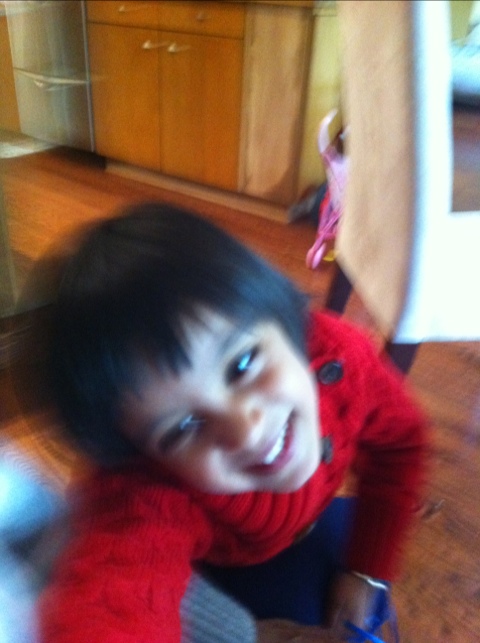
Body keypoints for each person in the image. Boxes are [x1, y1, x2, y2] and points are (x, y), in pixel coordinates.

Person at [37, 202, 428, 642]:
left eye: (242, 364)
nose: (248, 431)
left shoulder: (342, 356)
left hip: (305, 527)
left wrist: (367, 572)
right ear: (143, 457)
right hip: (221, 569)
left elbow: (401, 443)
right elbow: (110, 595)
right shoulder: (147, 491)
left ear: (285, 318)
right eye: (183, 427)